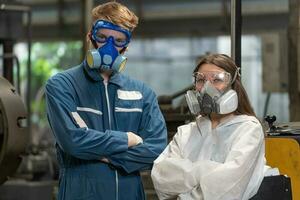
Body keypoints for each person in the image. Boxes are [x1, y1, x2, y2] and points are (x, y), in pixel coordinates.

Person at [45, 2, 167, 200]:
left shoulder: (143, 93)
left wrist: (103, 155)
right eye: (102, 37)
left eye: (118, 40)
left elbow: (156, 149)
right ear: (90, 37)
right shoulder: (62, 85)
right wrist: (127, 139)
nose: (109, 47)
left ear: (126, 47)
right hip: (80, 194)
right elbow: (73, 141)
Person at [151, 54, 273, 200]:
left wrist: (184, 184)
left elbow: (228, 188)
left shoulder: (248, 129)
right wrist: (204, 170)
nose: (206, 88)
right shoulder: (187, 132)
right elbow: (161, 177)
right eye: (201, 80)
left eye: (217, 80)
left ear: (233, 85)